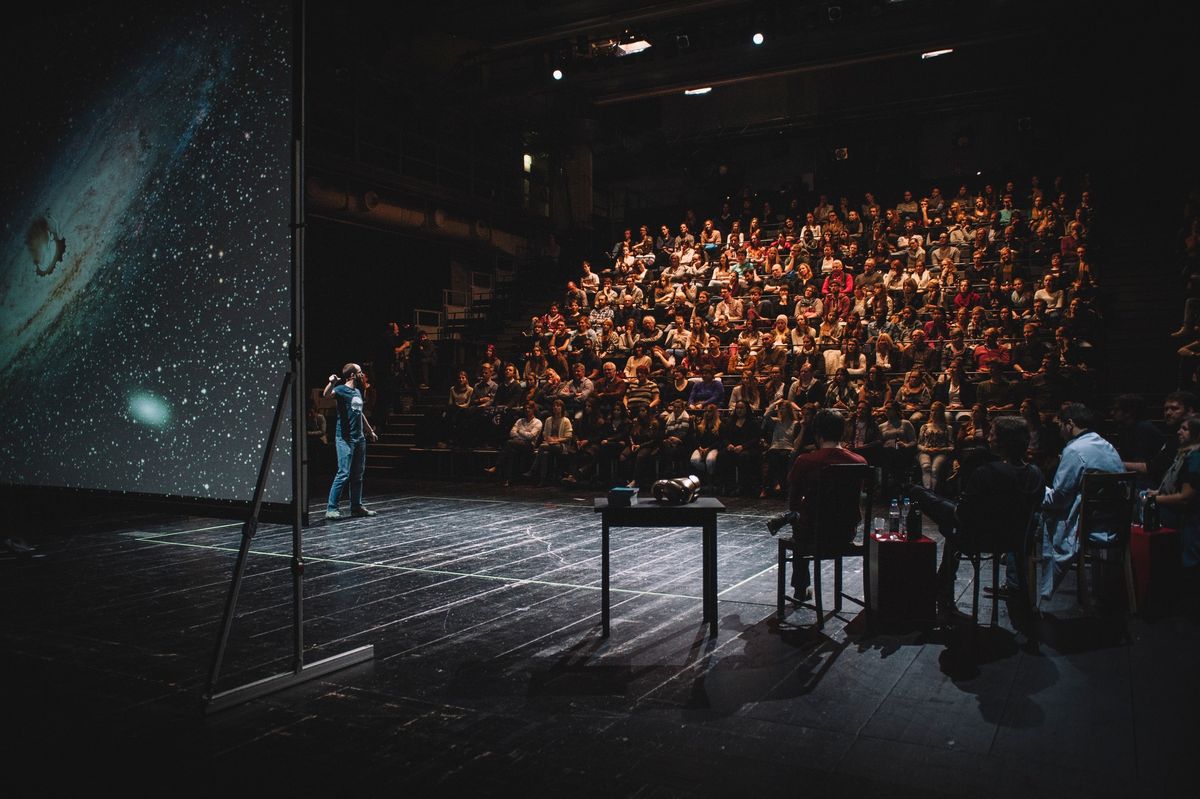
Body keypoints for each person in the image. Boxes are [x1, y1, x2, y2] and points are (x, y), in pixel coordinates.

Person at [906, 416, 1044, 621]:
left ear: (1002, 442)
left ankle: (941, 594)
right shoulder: (1035, 474)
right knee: (944, 511)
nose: (988, 438)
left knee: (920, 495)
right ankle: (941, 594)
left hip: (977, 538)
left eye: (993, 434)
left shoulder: (986, 472)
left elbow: (963, 516)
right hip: (1014, 539)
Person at [768, 409, 867, 601]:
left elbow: (794, 502)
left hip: (814, 533)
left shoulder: (806, 461)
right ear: (843, 432)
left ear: (817, 434)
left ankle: (801, 587)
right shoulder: (860, 462)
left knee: (799, 524)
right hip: (846, 532)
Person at [1039, 402, 1126, 602]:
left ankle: (1023, 590)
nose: (1059, 431)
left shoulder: (1075, 450)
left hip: (1087, 524)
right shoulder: (1107, 445)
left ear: (1069, 424)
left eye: (1060, 425)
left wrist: (1038, 489)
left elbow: (1059, 498)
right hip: (1114, 519)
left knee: (1030, 517)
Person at [323, 364, 378, 520]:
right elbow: (326, 394)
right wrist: (332, 382)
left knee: (357, 475)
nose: (363, 375)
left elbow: (359, 413)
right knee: (343, 473)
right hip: (344, 438)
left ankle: (356, 507)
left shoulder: (357, 392)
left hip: (359, 438)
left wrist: (369, 431)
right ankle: (331, 508)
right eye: (360, 372)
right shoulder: (341, 390)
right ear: (353, 375)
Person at [1147, 415, 1200, 572]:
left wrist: (1156, 498)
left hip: (1192, 524)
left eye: (1185, 429)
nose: (1179, 432)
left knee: (1191, 566)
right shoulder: (1185, 455)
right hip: (1184, 522)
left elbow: (1185, 498)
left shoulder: (1196, 458)